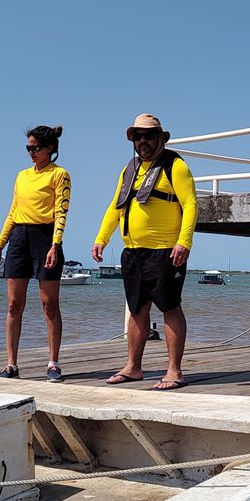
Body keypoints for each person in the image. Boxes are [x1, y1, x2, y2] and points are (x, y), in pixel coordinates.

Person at [92, 114, 197, 391]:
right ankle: (133, 367)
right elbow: (116, 207)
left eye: (149, 136)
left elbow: (190, 204)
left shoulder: (175, 166)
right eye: (137, 136)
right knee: (137, 310)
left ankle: (174, 371)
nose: (143, 141)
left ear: (161, 138)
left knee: (170, 307)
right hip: (133, 252)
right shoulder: (128, 170)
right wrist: (102, 239)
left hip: (165, 251)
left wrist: (184, 242)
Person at [0, 126, 71, 382]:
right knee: (14, 304)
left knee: (49, 305)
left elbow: (61, 211)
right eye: (28, 148)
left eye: (35, 148)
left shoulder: (59, 175)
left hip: (45, 238)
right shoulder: (22, 176)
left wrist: (55, 244)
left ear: (50, 149)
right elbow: (13, 212)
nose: (31, 152)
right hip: (19, 239)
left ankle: (53, 363)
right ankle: (11, 364)